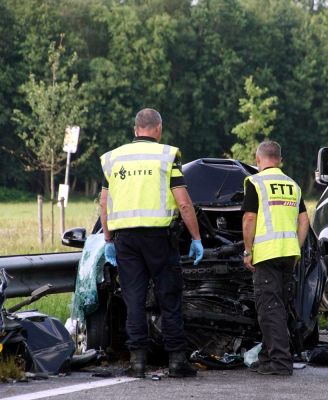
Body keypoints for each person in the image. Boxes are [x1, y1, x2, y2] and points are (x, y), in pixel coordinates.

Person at [99, 108, 203, 378]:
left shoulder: (113, 159)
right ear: (158, 129)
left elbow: (104, 201)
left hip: (126, 240)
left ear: (136, 130)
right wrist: (195, 237)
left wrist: (108, 238)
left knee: (134, 299)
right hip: (160, 239)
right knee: (169, 297)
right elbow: (183, 201)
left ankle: (137, 363)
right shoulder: (167, 156)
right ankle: (177, 361)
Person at [242, 140, 310, 376]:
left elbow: (249, 219)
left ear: (258, 159)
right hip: (289, 254)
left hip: (267, 254)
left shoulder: (255, 182)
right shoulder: (292, 184)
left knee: (269, 309)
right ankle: (267, 358)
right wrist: (296, 247)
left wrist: (248, 250)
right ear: (279, 160)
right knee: (278, 306)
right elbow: (304, 221)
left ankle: (280, 362)